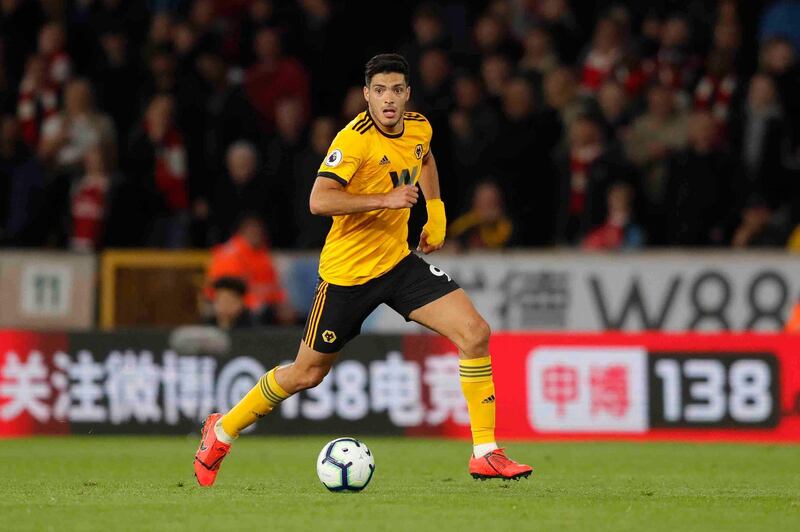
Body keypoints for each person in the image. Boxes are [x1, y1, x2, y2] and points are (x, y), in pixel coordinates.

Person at [193, 53, 532, 486]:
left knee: (475, 333)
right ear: (366, 96)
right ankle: (221, 431)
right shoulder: (353, 141)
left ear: (407, 94)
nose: (388, 100)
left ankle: (486, 451)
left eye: (396, 90)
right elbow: (319, 200)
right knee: (306, 373)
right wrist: (384, 200)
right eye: (379, 91)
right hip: (346, 277)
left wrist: (437, 211)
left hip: (398, 263)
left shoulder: (419, 126)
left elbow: (424, 158)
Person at [205, 213, 294, 325]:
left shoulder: (261, 254)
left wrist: (280, 302)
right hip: (235, 307)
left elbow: (274, 288)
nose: (256, 234)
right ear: (242, 231)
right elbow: (229, 290)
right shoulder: (231, 254)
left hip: (262, 307)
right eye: (252, 231)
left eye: (258, 232)